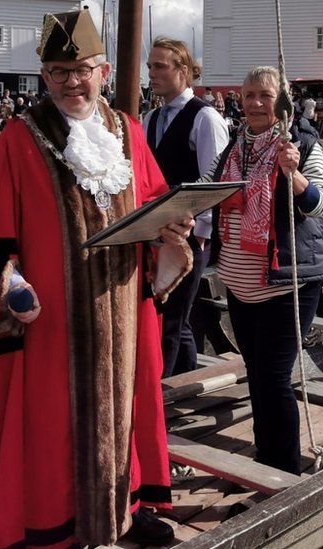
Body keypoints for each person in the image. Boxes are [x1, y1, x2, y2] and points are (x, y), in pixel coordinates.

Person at [0, 10, 189, 547]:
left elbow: (156, 196)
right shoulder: (19, 142)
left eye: (83, 70)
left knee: (127, 405)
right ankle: (56, 523)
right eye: (59, 72)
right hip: (52, 323)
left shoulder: (128, 131)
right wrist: (10, 287)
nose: (73, 82)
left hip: (121, 309)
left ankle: (127, 504)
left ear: (105, 71)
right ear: (44, 77)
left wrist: (173, 222)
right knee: (53, 426)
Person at [206, 66, 323, 475]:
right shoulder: (232, 148)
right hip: (241, 288)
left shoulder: (304, 146)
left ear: (281, 102)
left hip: (286, 285)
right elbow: (204, 190)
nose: (256, 103)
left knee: (274, 379)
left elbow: (319, 204)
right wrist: (174, 213)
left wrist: (292, 175)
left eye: (265, 95)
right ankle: (265, 457)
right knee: (256, 376)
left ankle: (283, 471)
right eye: (248, 96)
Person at [144, 37, 230, 378]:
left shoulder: (204, 118)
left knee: (173, 319)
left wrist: (204, 236)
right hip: (154, 234)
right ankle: (180, 387)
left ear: (183, 71)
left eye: (160, 66)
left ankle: (167, 393)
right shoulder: (150, 118)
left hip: (190, 238)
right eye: (150, 66)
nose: (152, 73)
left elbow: (215, 182)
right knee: (168, 319)